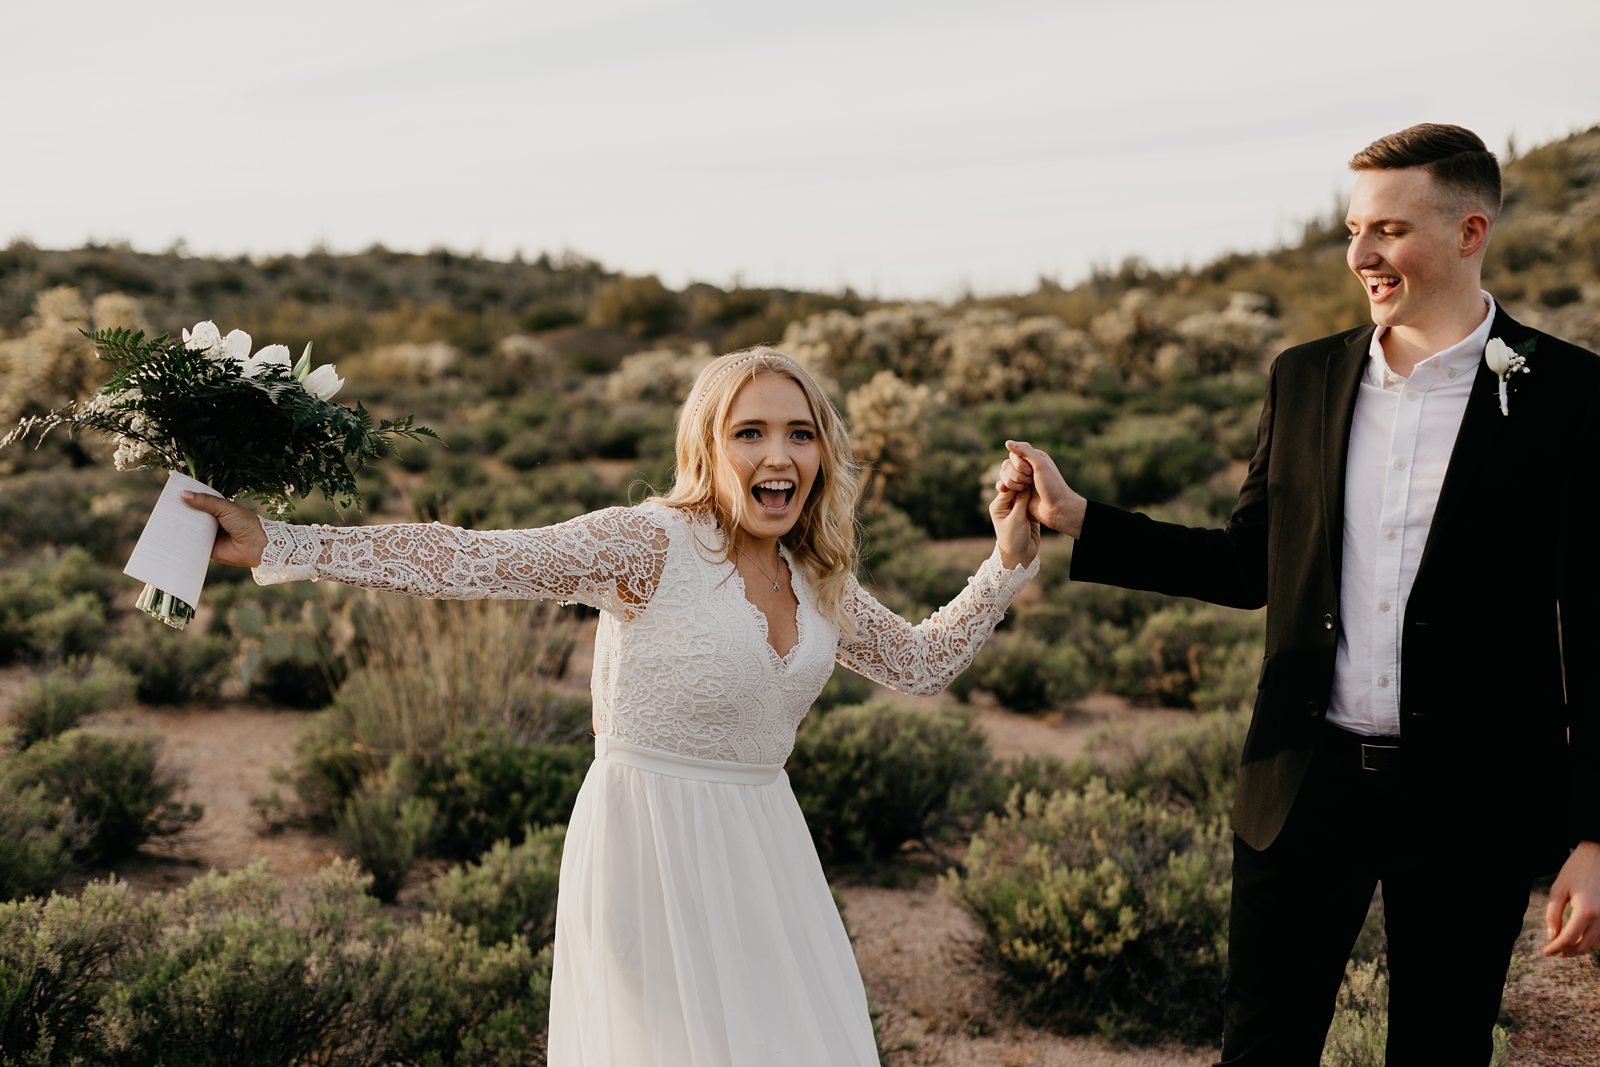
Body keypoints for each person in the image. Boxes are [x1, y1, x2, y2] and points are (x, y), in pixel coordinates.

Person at [187, 345, 1040, 1066]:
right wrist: (286, 543)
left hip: (770, 856)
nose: (778, 457)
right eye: (750, 433)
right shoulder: (651, 543)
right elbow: (475, 560)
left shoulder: (819, 575)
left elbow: (922, 665)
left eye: (799, 434)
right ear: (707, 445)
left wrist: (1006, 561)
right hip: (650, 850)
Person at [1000, 123, 1600, 1064]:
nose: (1360, 254)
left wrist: (1593, 837)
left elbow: (1595, 627)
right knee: (1261, 1047)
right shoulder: (1306, 375)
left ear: (1471, 231)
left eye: (1390, 231)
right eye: (1354, 229)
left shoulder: (1571, 393)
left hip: (1473, 798)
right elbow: (1251, 564)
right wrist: (1083, 517)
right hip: (1302, 781)